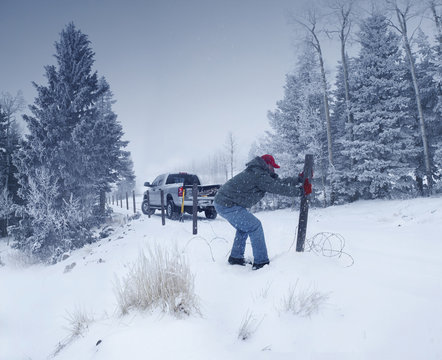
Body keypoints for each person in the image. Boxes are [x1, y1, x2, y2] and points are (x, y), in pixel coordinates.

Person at [214, 154, 312, 270]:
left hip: (225, 203)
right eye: (273, 166)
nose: (274, 169)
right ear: (267, 164)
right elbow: (277, 188)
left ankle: (236, 258)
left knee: (244, 227)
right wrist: (300, 191)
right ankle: (261, 262)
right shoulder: (258, 174)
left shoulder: (260, 173)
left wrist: (298, 180)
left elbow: (279, 182)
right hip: (226, 204)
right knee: (255, 226)